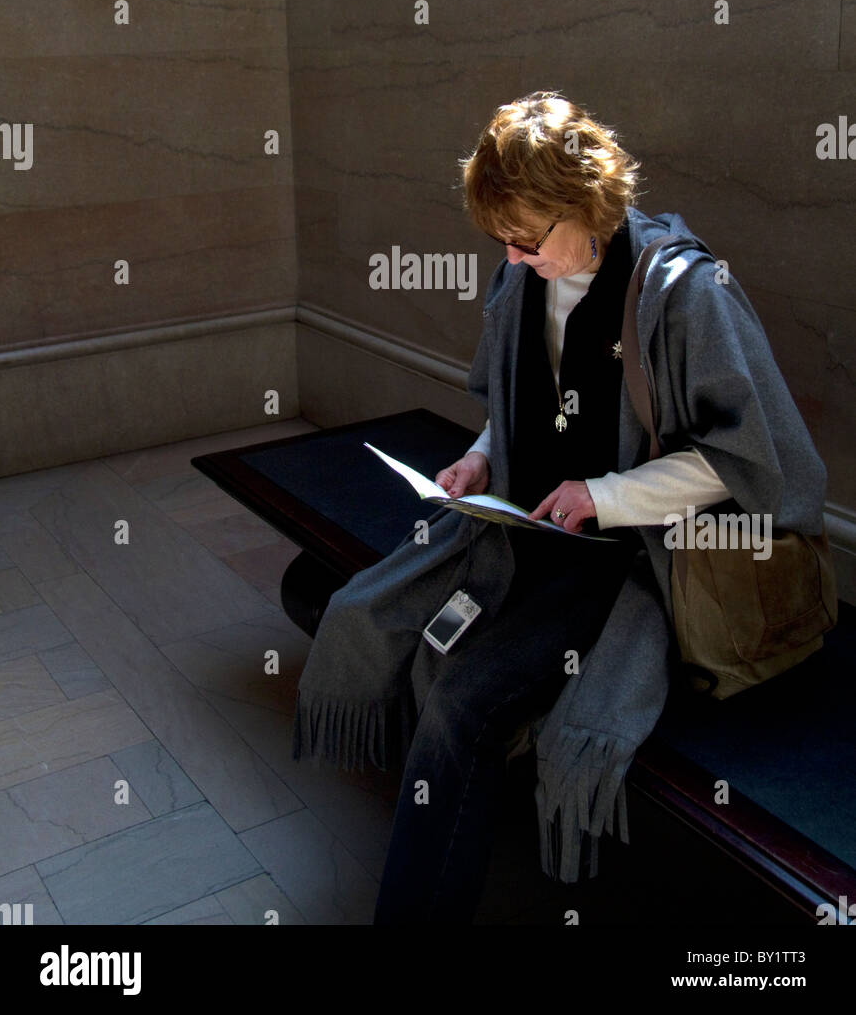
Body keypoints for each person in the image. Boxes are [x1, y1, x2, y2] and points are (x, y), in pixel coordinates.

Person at [291, 91, 828, 926]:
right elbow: (518, 403)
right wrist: (478, 454)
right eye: (500, 239)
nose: (509, 259)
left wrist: (604, 496)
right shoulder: (530, 275)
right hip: (528, 528)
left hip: (628, 561)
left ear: (586, 204)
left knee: (462, 706)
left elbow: (745, 457)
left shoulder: (682, 292)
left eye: (525, 239)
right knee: (374, 616)